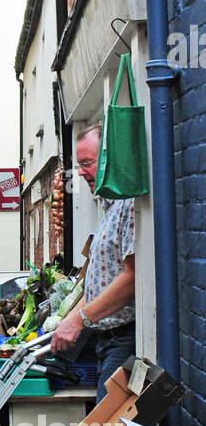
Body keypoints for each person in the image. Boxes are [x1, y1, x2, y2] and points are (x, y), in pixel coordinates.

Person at [51, 125, 136, 402]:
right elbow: (99, 283)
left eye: (87, 163)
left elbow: (131, 278)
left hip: (124, 341)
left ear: (109, 158)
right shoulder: (109, 207)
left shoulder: (131, 206)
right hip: (105, 341)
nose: (82, 172)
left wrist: (79, 320)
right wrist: (69, 319)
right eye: (79, 165)